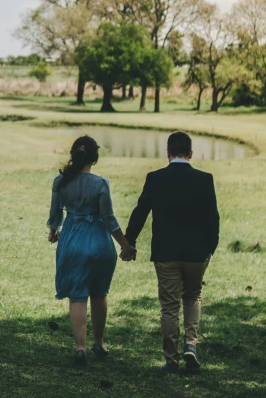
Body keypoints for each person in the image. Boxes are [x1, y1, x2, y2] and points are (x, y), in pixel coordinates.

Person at [124, 131, 220, 373]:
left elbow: (140, 211)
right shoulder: (204, 179)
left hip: (165, 252)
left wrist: (129, 241)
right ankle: (191, 344)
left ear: (167, 153)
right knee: (192, 296)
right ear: (190, 153)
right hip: (197, 253)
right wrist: (210, 248)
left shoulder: (155, 178)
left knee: (169, 306)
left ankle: (171, 359)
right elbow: (213, 219)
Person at [48, 135, 136, 366]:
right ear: (95, 158)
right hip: (98, 242)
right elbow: (109, 218)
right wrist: (125, 244)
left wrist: (52, 233)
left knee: (77, 295)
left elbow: (55, 215)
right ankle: (98, 341)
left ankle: (80, 347)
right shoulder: (100, 183)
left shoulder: (61, 181)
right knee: (99, 292)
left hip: (72, 241)